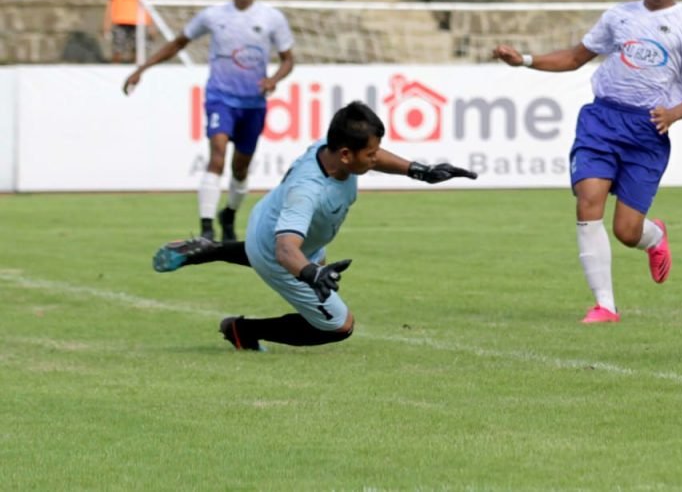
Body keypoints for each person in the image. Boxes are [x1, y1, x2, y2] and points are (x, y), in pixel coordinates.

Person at [493, 0, 682, 323]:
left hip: (648, 130)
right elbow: (576, 58)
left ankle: (655, 237)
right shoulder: (618, 16)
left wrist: (674, 115)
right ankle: (605, 306)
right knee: (588, 199)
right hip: (602, 120)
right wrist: (524, 60)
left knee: (627, 232)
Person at [151, 101, 478, 351]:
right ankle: (243, 330)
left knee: (308, 259)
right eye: (371, 154)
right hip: (278, 250)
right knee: (338, 325)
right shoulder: (308, 191)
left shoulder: (333, 147)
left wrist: (420, 171)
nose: (376, 158)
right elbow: (285, 250)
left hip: (274, 221)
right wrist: (310, 274)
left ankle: (211, 249)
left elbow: (375, 157)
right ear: (347, 155)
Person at [123, 0, 295, 242]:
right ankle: (205, 227)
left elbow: (288, 60)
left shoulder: (272, 19)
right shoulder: (213, 16)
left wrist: (273, 80)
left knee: (240, 167)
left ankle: (228, 214)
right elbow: (179, 42)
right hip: (220, 97)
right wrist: (143, 68)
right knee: (217, 154)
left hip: (253, 103)